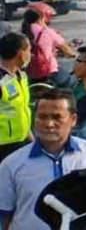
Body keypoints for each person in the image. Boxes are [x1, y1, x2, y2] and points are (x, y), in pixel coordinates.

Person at [0, 88, 86, 230]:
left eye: (57, 117)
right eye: (42, 117)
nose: (49, 124)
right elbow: (3, 215)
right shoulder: (12, 164)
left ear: (73, 119)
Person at [23, 5, 76, 87]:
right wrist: (73, 54)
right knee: (72, 81)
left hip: (27, 73)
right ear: (41, 17)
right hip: (48, 72)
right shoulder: (47, 32)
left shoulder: (22, 32)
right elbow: (68, 51)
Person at [0, 32, 32, 163]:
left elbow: (21, 110)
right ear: (21, 53)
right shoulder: (1, 81)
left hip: (22, 141)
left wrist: (31, 139)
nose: (31, 54)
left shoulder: (21, 76)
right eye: (29, 50)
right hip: (4, 146)